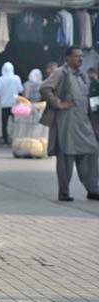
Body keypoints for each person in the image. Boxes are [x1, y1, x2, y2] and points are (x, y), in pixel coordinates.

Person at [41, 46, 99, 202]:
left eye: (81, 56)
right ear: (67, 58)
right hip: (66, 122)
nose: (80, 59)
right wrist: (58, 103)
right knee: (66, 156)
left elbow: (89, 99)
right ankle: (64, 192)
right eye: (76, 56)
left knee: (91, 152)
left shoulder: (83, 76)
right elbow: (45, 88)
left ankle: (93, 189)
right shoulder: (61, 73)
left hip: (83, 122)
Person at [0, 62, 24, 146]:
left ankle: (6, 141)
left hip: (4, 104)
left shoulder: (0, 79)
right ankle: (16, 139)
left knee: (4, 124)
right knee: (16, 123)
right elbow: (21, 90)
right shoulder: (16, 78)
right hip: (15, 104)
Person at [88, 67, 99, 133]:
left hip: (96, 105)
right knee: (94, 125)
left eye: (91, 73)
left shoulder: (97, 83)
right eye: (89, 74)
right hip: (93, 106)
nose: (89, 76)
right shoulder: (90, 84)